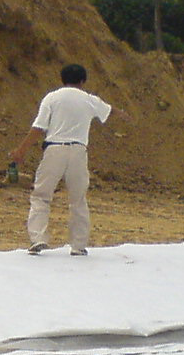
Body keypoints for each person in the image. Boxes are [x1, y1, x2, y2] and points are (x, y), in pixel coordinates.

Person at [9, 63, 116, 256]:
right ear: (83, 81)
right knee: (78, 199)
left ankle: (38, 239)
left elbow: (39, 127)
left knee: (41, 196)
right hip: (79, 151)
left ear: (62, 79)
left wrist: (21, 150)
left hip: (54, 149)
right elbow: (109, 110)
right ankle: (78, 246)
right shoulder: (89, 100)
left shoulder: (52, 98)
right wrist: (125, 114)